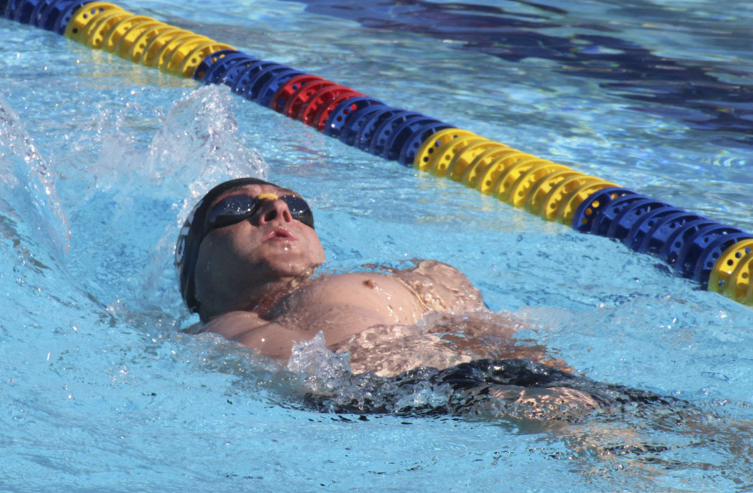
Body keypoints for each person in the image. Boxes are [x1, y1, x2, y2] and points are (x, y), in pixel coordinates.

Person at [175, 178, 667, 419]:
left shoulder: (405, 279)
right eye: (239, 207)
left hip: (475, 384)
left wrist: (563, 381)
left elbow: (495, 338)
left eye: (296, 207)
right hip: (381, 406)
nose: (277, 209)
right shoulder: (198, 337)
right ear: (194, 267)